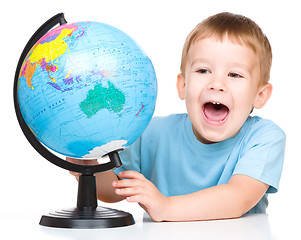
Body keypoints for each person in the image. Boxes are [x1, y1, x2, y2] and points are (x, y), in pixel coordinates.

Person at [68, 12, 286, 222]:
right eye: (203, 71)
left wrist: (166, 206)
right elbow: (114, 190)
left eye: (234, 75)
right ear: (183, 85)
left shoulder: (264, 138)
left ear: (260, 95)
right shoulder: (153, 133)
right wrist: (85, 167)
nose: (217, 84)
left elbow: (239, 197)